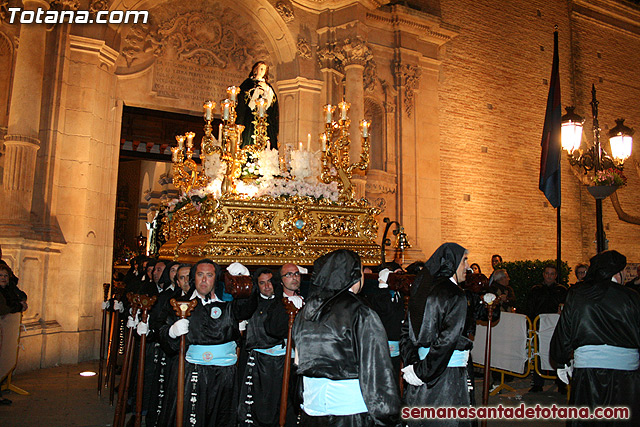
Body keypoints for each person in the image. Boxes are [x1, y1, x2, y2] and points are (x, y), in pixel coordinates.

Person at [292, 249, 400, 426]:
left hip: (312, 408)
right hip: (350, 410)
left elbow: (298, 361)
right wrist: (389, 416)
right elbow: (376, 368)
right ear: (355, 276)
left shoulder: (305, 312)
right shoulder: (360, 312)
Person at [158, 259, 257, 427]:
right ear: (193, 278)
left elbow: (247, 307)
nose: (204, 280)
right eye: (200, 275)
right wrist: (172, 332)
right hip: (193, 372)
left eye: (209, 275)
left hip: (224, 374)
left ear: (215, 279)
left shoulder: (227, 305)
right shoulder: (181, 305)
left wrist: (245, 279)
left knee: (221, 418)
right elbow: (165, 337)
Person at [400, 243, 487, 427]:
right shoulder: (455, 294)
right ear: (452, 262)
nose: (468, 267)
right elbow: (447, 340)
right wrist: (422, 372)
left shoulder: (422, 288)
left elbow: (406, 331)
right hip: (446, 378)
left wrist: (413, 365)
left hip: (421, 372)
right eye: (464, 261)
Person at [550, 250, 640, 426]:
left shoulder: (577, 295)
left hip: (588, 375)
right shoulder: (633, 297)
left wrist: (561, 360)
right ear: (618, 272)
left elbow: (564, 333)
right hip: (626, 379)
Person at [238, 268, 288, 427]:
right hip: (257, 363)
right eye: (262, 283)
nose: (267, 287)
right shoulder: (251, 304)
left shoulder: (284, 303)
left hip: (280, 362)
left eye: (270, 282)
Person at [525, 264, 567, 393]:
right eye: (547, 273)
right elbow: (530, 308)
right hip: (539, 328)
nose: (549, 276)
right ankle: (538, 383)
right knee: (538, 354)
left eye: (552, 274)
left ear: (556, 275)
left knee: (559, 354)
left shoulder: (562, 290)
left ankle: (561, 383)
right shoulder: (535, 290)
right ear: (544, 274)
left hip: (557, 328)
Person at [236, 61, 279, 149]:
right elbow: (243, 97)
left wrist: (267, 91)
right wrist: (256, 91)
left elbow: (273, 102)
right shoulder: (248, 83)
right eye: (261, 68)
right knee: (249, 138)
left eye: (265, 70)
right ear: (255, 70)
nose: (263, 71)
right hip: (251, 117)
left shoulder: (268, 86)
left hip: (265, 118)